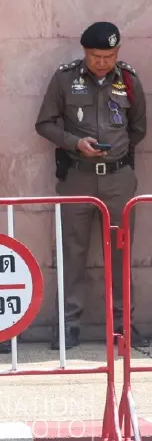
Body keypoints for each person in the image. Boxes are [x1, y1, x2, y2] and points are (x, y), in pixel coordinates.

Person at [35, 21, 148, 350]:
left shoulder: (128, 80)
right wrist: (74, 143)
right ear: (85, 52)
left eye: (109, 55)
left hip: (118, 179)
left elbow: (138, 129)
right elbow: (44, 123)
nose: (103, 62)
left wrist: (117, 152)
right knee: (72, 252)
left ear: (117, 53)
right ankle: (68, 325)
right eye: (97, 56)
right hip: (78, 177)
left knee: (120, 251)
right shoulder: (65, 78)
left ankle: (122, 325)